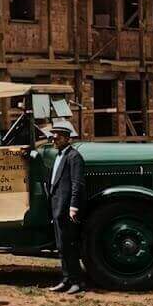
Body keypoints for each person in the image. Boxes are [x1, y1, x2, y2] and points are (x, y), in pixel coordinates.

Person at [46, 125, 86, 295]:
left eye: (57, 137)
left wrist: (74, 206)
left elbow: (78, 184)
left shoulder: (74, 156)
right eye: (53, 137)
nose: (54, 140)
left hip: (67, 208)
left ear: (67, 138)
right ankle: (66, 279)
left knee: (69, 246)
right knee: (62, 246)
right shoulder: (59, 155)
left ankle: (77, 281)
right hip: (58, 207)